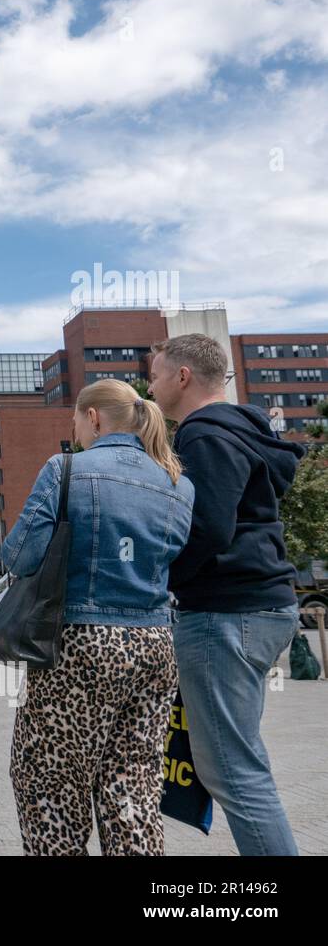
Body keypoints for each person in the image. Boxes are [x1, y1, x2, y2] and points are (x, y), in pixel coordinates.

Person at [3, 380, 195, 855]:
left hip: (81, 645)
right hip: (155, 644)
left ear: (93, 418)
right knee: (132, 786)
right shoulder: (177, 482)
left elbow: (20, 557)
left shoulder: (65, 469)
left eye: (76, 421)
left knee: (50, 783)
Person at [149, 333, 306, 855]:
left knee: (235, 775)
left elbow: (209, 529)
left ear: (183, 376)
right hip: (265, 606)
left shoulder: (203, 433)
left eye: (154, 375)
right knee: (242, 763)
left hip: (225, 614)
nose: (150, 386)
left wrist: (161, 581)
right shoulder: (245, 429)